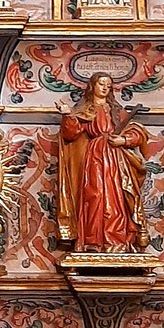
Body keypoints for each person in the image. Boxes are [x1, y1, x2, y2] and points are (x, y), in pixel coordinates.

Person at [57, 72, 149, 252]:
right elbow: (71, 134)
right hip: (94, 158)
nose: (105, 88)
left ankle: (117, 242)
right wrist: (67, 114)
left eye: (109, 85)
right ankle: (92, 242)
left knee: (117, 199)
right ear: (93, 86)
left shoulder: (116, 111)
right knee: (94, 196)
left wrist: (123, 140)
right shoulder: (85, 110)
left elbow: (138, 133)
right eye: (101, 84)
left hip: (116, 159)